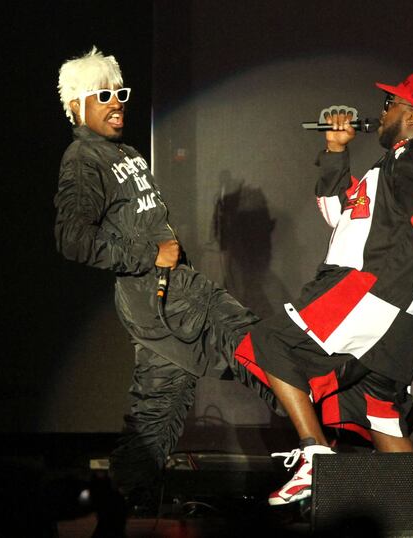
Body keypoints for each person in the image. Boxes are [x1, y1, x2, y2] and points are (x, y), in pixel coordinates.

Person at [233, 72, 413, 506]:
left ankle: (315, 454)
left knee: (268, 341)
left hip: (370, 294)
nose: (382, 110)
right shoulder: (399, 164)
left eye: (391, 104)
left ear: (410, 115)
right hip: (402, 315)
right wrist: (336, 151)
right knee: (382, 415)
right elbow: (343, 216)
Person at [53, 47, 282, 516]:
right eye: (103, 95)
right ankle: (356, 416)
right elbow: (73, 240)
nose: (117, 102)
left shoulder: (125, 153)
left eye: (120, 92)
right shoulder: (82, 159)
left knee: (155, 417)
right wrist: (149, 254)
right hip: (166, 300)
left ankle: (120, 512)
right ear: (77, 106)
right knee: (261, 346)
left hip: (167, 296)